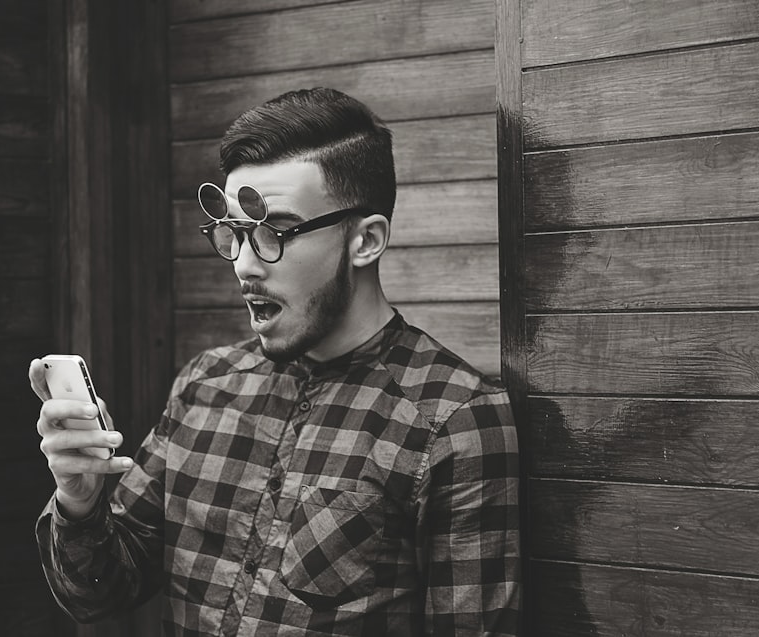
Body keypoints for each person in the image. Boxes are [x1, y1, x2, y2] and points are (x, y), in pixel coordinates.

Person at [31, 88, 520, 636]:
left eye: (274, 233)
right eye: (235, 233)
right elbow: (99, 593)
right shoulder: (204, 387)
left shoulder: (451, 419)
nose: (244, 265)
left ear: (365, 240)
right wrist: (79, 500)